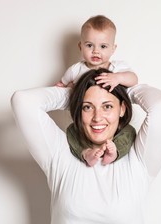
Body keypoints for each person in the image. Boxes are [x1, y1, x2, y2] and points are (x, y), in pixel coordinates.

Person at [11, 68, 161, 224]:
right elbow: (22, 101)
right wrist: (75, 94)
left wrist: (127, 89)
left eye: (107, 106)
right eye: (87, 107)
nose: (97, 117)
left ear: (122, 108)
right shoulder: (59, 154)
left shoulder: (139, 160)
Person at [56, 15, 138, 166]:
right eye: (89, 45)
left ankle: (114, 153)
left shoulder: (116, 68)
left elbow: (133, 79)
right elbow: (61, 84)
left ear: (113, 49)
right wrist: (65, 87)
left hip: (115, 127)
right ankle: (86, 153)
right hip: (84, 124)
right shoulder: (76, 70)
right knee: (72, 131)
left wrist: (118, 78)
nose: (95, 51)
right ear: (80, 47)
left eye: (103, 46)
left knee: (129, 132)